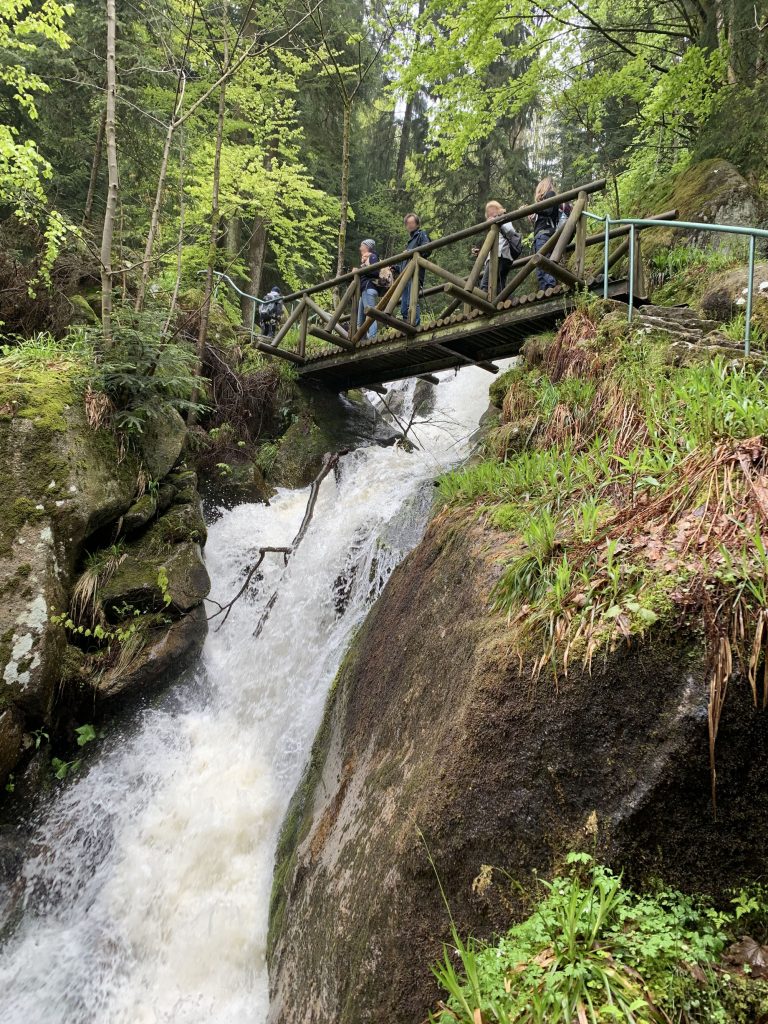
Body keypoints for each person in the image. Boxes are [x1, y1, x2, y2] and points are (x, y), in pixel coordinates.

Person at [476, 200, 522, 295]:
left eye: (493, 212)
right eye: (489, 215)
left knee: (486, 285)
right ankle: (499, 304)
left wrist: (497, 221)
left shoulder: (503, 219)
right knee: (496, 285)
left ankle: (489, 306)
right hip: (496, 256)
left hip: (501, 256)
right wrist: (480, 253)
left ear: (498, 210)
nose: (491, 216)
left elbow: (510, 231)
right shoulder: (492, 227)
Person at [399, 213, 430, 324]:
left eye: (412, 223)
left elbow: (427, 250)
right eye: (408, 223)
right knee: (404, 307)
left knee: (412, 302)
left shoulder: (421, 234)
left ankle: (414, 325)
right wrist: (394, 267)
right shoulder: (409, 242)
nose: (410, 225)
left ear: (417, 224)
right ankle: (406, 327)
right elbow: (405, 263)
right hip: (406, 276)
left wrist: (411, 252)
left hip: (415, 274)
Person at [530, 177, 559, 290]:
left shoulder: (551, 194)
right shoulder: (544, 201)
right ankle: (544, 289)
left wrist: (534, 208)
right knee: (539, 264)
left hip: (545, 234)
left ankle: (550, 287)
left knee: (543, 261)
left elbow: (549, 212)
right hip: (541, 235)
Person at [357, 238, 380, 339]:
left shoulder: (373, 257)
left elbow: (375, 272)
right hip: (364, 290)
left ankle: (372, 339)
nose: (359, 248)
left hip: (368, 289)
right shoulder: (365, 260)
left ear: (367, 247)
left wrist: (363, 269)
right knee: (360, 320)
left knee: (371, 315)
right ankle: (362, 341)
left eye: (361, 246)